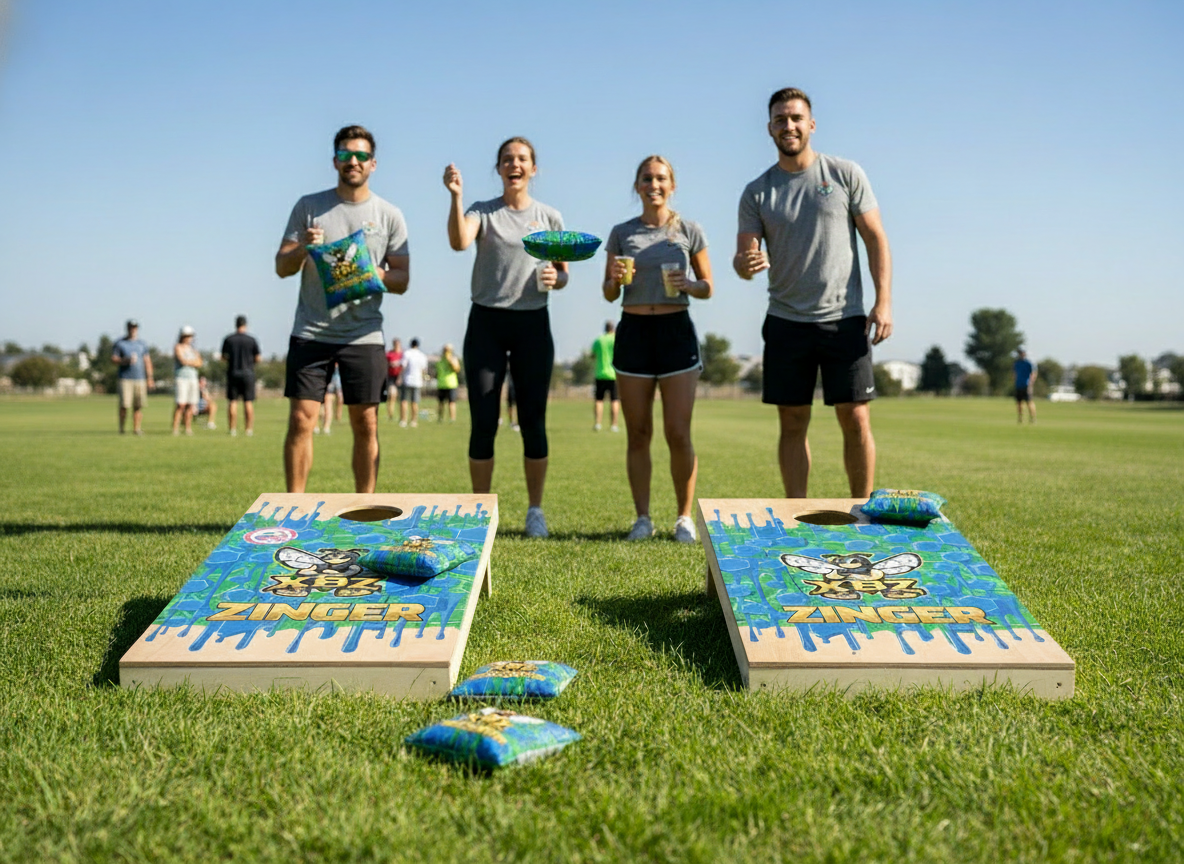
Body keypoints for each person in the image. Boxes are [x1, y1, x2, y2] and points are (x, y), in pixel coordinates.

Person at [734, 87, 893, 499]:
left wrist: (884, 301)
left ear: (811, 124)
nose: (789, 126)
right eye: (781, 120)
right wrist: (746, 263)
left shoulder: (844, 173)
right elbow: (742, 257)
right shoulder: (757, 192)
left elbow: (876, 239)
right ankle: (796, 513)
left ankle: (862, 511)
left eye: (796, 118)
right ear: (769, 128)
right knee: (791, 421)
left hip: (845, 318)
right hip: (787, 322)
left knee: (855, 417)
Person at [444, 137, 569, 537]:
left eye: (522, 159)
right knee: (484, 420)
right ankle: (480, 512)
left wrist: (558, 277)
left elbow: (563, 271)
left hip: (533, 323)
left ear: (534, 168)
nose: (514, 165)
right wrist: (456, 196)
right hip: (486, 324)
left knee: (533, 420)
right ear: (498, 168)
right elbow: (460, 241)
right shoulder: (483, 211)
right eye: (507, 160)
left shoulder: (549, 216)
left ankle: (535, 510)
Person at [274, 124, 409, 493]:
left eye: (361, 155)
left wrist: (368, 271)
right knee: (302, 420)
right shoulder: (308, 207)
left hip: (364, 334)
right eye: (346, 154)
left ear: (373, 163)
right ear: (334, 160)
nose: (354, 161)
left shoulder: (389, 215)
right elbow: (282, 266)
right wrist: (303, 246)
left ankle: (365, 506)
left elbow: (402, 279)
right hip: (312, 331)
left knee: (366, 423)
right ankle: (295, 507)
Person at [604, 155, 713, 542]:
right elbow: (608, 293)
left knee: (678, 432)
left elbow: (708, 286)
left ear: (673, 185)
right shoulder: (621, 232)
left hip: (676, 332)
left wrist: (688, 283)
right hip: (633, 330)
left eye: (661, 178)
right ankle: (642, 518)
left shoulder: (689, 230)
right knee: (638, 432)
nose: (654, 184)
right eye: (647, 178)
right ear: (637, 186)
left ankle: (684, 517)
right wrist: (615, 278)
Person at [112, 319, 154, 435]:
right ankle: (122, 429)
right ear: (127, 328)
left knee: (138, 406)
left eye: (134, 327)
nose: (133, 329)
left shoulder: (142, 344)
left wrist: (150, 377)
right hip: (125, 378)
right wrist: (124, 360)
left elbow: (147, 361)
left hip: (140, 378)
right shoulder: (120, 343)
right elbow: (114, 359)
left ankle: (136, 429)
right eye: (131, 327)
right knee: (124, 405)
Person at [221, 315, 261, 437]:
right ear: (245, 325)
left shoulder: (229, 339)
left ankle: (232, 429)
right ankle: (248, 429)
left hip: (233, 373)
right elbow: (258, 358)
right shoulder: (251, 340)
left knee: (233, 401)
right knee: (248, 402)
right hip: (248, 373)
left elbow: (223, 357)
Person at [172, 325, 203, 436]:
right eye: (186, 336)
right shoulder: (178, 347)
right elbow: (182, 360)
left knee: (191, 404)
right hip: (182, 378)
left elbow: (199, 362)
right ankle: (175, 428)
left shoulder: (193, 350)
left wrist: (190, 361)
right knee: (181, 404)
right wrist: (192, 362)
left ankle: (188, 428)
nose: (188, 338)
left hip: (193, 378)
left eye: (190, 336)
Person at [591, 321, 620, 433]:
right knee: (614, 400)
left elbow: (593, 355)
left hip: (600, 373)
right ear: (612, 329)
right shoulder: (615, 339)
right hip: (614, 374)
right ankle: (614, 425)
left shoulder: (599, 340)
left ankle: (598, 424)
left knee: (599, 400)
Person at [399, 338, 428, 427]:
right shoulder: (422, 355)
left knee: (404, 401)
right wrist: (424, 379)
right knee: (414, 402)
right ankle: (414, 421)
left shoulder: (407, 353)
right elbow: (423, 370)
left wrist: (399, 377)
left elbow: (403, 366)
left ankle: (403, 420)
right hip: (417, 381)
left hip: (407, 380)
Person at [436, 343, 461, 422]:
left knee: (451, 402)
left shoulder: (453, 359)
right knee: (441, 403)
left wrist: (451, 361)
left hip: (451, 384)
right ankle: (440, 418)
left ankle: (452, 418)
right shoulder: (440, 360)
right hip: (441, 384)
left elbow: (457, 369)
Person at [1014, 349, 1037, 424]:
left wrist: (1031, 382)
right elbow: (1014, 373)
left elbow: (1033, 373)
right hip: (1018, 384)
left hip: (1027, 385)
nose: (1021, 354)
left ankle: (1032, 418)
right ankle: (1020, 418)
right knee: (1019, 402)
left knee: (1029, 402)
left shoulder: (1029, 363)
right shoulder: (1017, 363)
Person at [385, 338, 404, 421]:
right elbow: (384, 364)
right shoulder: (389, 354)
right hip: (391, 376)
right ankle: (390, 415)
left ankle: (402, 416)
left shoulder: (403, 354)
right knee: (392, 395)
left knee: (402, 398)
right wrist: (390, 364)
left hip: (401, 376)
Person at [317, 368, 341, 435]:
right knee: (319, 409)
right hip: (321, 386)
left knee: (328, 407)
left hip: (330, 388)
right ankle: (317, 426)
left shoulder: (337, 369)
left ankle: (326, 427)